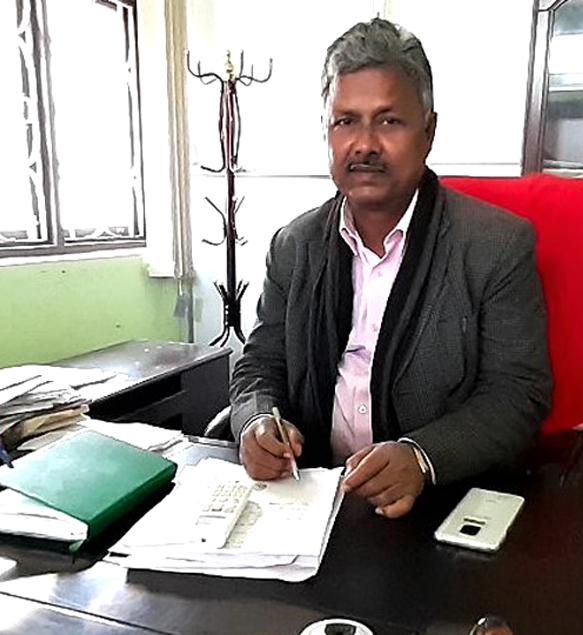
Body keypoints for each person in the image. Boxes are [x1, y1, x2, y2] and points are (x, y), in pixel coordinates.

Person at [229, 18, 552, 518]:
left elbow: (517, 393)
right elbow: (259, 365)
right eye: (346, 121)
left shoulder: (496, 245)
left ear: (429, 132)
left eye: (389, 121)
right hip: (308, 498)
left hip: (438, 504)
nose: (364, 144)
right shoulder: (293, 245)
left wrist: (422, 457)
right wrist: (255, 422)